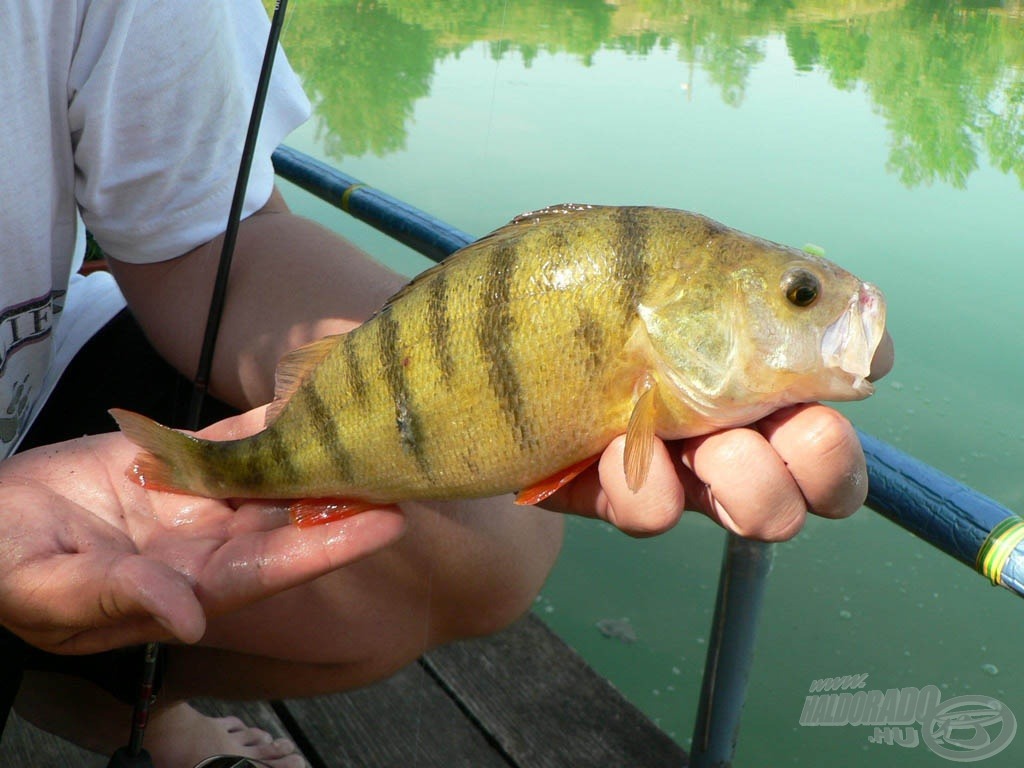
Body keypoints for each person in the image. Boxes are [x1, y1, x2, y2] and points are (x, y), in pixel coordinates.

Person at [0, 1, 892, 766]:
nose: (823, 305)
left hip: (36, 373)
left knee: (493, 543)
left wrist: (437, 369)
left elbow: (202, 236)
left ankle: (93, 693)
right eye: (799, 295)